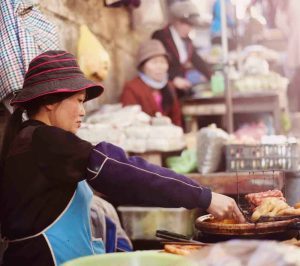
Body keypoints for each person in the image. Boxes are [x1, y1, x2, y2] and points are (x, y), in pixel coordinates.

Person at [0, 50, 244, 266]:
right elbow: (123, 170)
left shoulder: (33, 140)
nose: (83, 111)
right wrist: (203, 196)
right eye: (79, 101)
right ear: (50, 101)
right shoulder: (46, 140)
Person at [152, 1, 212, 98]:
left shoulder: (187, 41)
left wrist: (211, 76)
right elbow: (155, 64)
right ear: (177, 22)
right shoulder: (160, 36)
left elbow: (197, 60)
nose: (190, 29)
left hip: (181, 89)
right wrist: (173, 79)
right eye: (188, 25)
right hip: (165, 89)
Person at [121, 39, 182, 126]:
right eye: (154, 62)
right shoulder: (131, 88)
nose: (160, 67)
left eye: (163, 62)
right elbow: (129, 121)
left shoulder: (169, 86)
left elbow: (176, 119)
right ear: (143, 67)